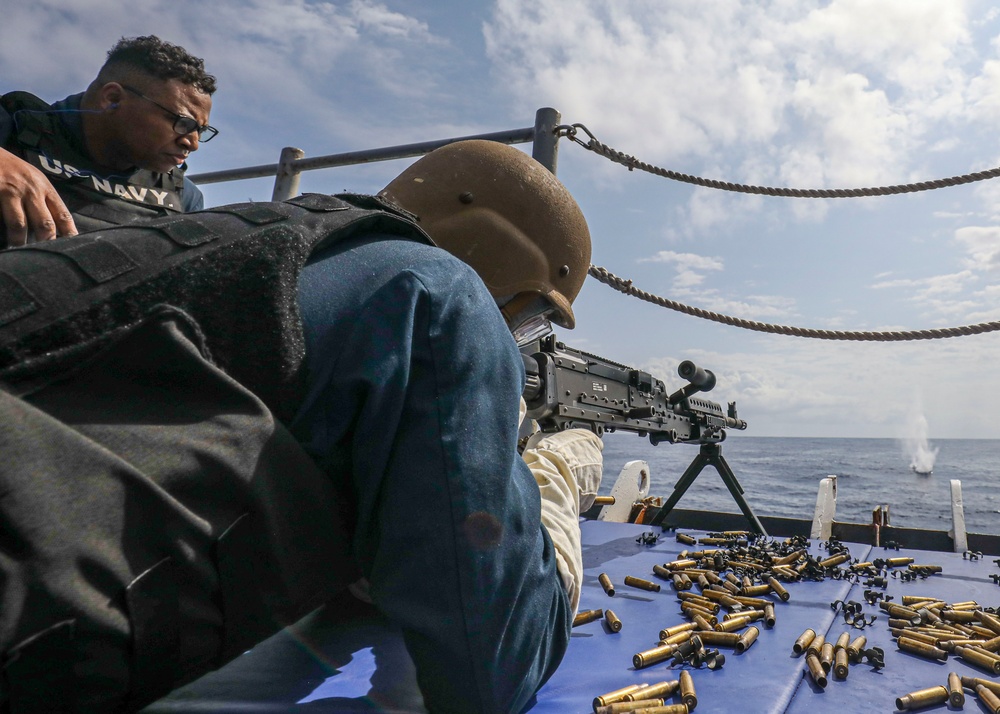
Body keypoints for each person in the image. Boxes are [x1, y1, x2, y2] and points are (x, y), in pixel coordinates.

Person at [0, 140, 602, 714]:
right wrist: (554, 479)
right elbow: (497, 664)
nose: (517, 341)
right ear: (497, 258)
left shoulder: (231, 237)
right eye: (531, 322)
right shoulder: (440, 292)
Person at [0, 35, 216, 249]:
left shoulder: (184, 197)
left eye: (201, 131)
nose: (193, 143)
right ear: (112, 99)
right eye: (183, 123)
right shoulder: (11, 126)